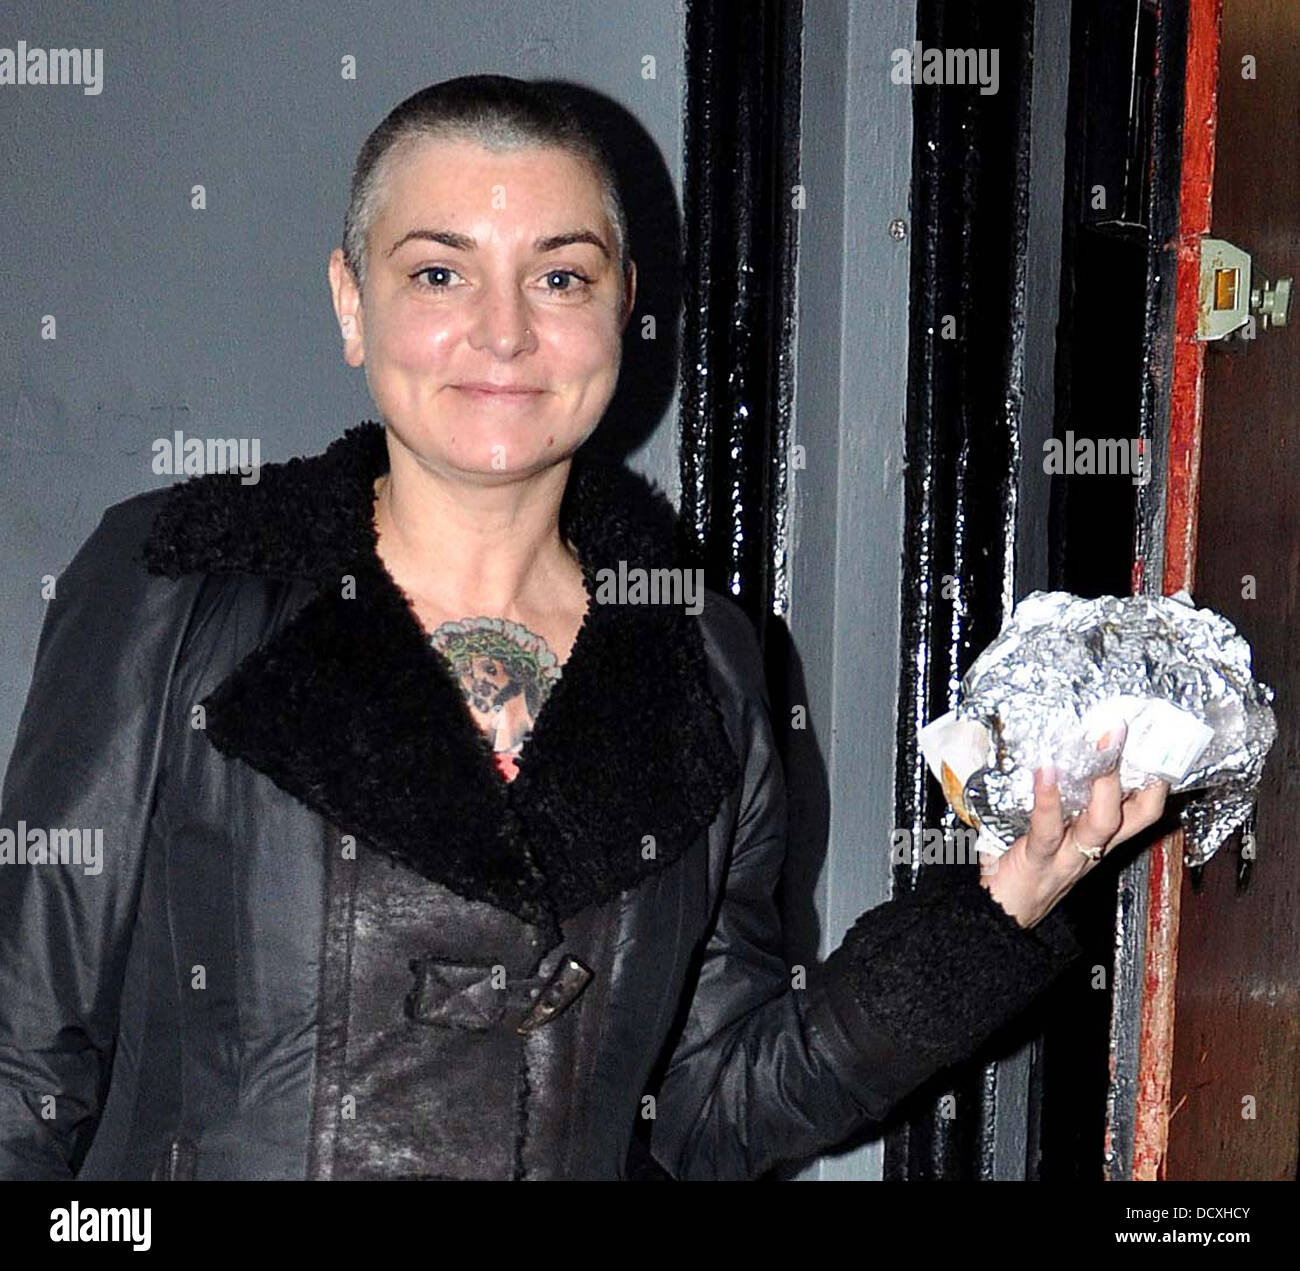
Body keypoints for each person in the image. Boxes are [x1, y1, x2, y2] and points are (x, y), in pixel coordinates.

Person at [0, 74, 1169, 1182]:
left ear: (622, 311)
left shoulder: (702, 659)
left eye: (560, 277)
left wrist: (994, 908)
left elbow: (706, 1112)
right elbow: (21, 1056)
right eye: (438, 275)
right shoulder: (180, 587)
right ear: (352, 304)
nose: (504, 334)